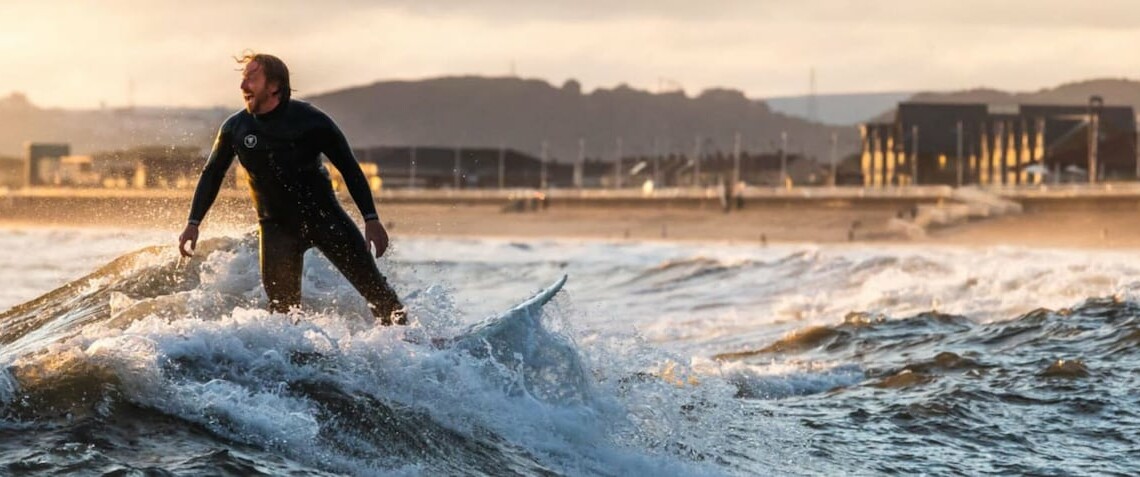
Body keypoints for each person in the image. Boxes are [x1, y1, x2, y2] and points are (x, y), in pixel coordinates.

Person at [178, 52, 405, 325]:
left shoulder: (312, 122)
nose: (243, 87)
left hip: (326, 220)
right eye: (243, 79)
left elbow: (350, 169)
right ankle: (298, 366)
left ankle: (416, 349)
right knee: (283, 319)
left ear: (274, 85)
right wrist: (193, 223)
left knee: (379, 296)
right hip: (275, 229)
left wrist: (371, 219)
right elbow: (212, 174)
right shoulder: (235, 128)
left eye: (251, 78)